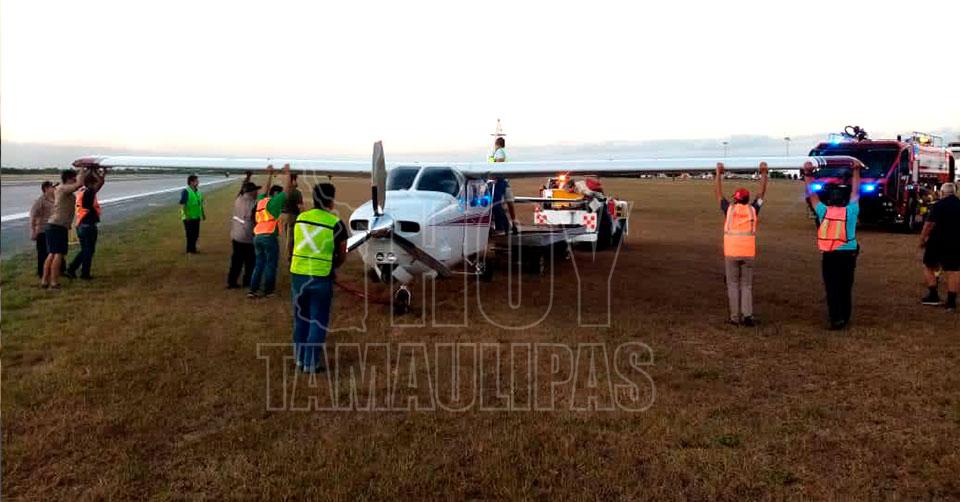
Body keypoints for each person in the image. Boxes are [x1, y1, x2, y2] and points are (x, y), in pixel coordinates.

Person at [290, 182, 348, 372]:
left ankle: (299, 360)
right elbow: (342, 254)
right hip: (321, 277)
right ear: (331, 201)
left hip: (298, 275)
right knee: (317, 320)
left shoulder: (300, 219)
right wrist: (333, 267)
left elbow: (294, 244)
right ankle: (311, 363)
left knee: (301, 319)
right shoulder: (336, 224)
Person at [804, 160, 862, 330]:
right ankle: (845, 316)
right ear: (844, 200)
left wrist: (808, 174)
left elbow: (812, 195)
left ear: (830, 200)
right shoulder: (851, 210)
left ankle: (836, 318)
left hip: (830, 255)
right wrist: (856, 171)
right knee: (846, 286)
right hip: (848, 254)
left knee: (832, 287)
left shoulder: (823, 211)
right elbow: (856, 191)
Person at [715, 161, 769, 326]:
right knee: (747, 285)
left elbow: (718, 194)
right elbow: (761, 194)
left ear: (736, 199)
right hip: (748, 253)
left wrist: (718, 174)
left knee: (732, 285)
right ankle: (747, 316)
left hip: (731, 253)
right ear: (747, 199)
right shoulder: (753, 210)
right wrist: (764, 173)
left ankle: (734, 318)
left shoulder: (729, 210)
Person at [248, 164, 291, 298]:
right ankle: (268, 291)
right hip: (269, 236)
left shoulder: (261, 201)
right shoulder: (274, 203)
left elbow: (265, 190)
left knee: (259, 264)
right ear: (275, 195)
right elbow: (286, 191)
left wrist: (270, 174)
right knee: (271, 264)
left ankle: (253, 290)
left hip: (257, 236)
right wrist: (287, 173)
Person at [41, 168, 88, 288]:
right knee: (58, 254)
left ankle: (45, 281)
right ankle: (54, 282)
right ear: (69, 179)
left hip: (54, 225)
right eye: (74, 178)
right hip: (58, 226)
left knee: (52, 254)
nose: (75, 180)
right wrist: (82, 170)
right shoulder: (63, 188)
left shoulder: (61, 190)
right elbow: (79, 184)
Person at [919, 182, 959, 311]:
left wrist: (922, 239)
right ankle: (951, 303)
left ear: (942, 193)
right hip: (956, 241)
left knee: (928, 266)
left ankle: (933, 295)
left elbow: (929, 225)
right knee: (953, 271)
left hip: (937, 241)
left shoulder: (938, 205)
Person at [65, 167, 105, 280]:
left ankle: (79, 271)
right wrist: (94, 171)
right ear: (91, 183)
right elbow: (100, 182)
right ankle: (76, 270)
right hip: (88, 225)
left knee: (86, 250)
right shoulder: (89, 192)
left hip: (81, 224)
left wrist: (92, 171)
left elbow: (99, 182)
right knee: (88, 251)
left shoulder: (82, 191)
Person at [227, 174, 260, 289]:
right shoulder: (253, 204)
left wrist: (248, 177)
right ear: (251, 192)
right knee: (250, 261)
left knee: (236, 260)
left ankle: (232, 281)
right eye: (255, 190)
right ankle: (247, 281)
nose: (257, 192)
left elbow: (242, 189)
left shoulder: (239, 199)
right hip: (247, 237)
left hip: (236, 235)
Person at [489, 137, 518, 233]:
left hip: (499, 180)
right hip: (505, 181)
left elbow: (498, 164)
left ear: (497, 144)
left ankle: (502, 226)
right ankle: (511, 225)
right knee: (509, 204)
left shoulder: (499, 152)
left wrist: (494, 176)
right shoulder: (503, 152)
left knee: (495, 203)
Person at [29, 181, 56, 278]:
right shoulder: (40, 201)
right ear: (46, 189)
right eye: (52, 187)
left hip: (52, 229)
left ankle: (56, 269)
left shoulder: (54, 199)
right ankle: (41, 272)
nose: (54, 189)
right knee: (42, 252)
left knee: (53, 251)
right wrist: (33, 231)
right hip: (42, 230)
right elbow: (32, 216)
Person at [280, 172, 304, 262]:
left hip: (283, 216)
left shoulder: (284, 192)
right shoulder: (296, 193)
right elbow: (300, 207)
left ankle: (289, 254)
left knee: (287, 236)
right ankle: (290, 256)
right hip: (292, 216)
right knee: (291, 237)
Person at [179, 174, 205, 253]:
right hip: (189, 217)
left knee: (195, 234)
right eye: (196, 181)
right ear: (191, 182)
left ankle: (193, 249)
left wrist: (203, 214)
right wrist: (187, 215)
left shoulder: (198, 192)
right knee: (190, 235)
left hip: (196, 216)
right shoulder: (186, 191)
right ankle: (189, 250)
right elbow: (183, 204)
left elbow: (200, 204)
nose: (198, 182)